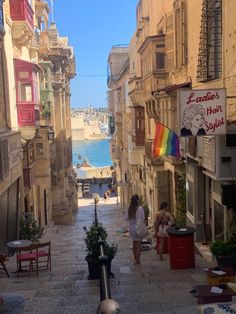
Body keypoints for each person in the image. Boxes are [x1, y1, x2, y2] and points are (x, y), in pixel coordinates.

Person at [125, 194, 145, 265]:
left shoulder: (129, 209)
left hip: (132, 228)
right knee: (139, 245)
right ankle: (137, 260)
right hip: (138, 227)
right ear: (137, 200)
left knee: (134, 244)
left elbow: (126, 219)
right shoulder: (140, 209)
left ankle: (135, 259)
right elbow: (143, 218)